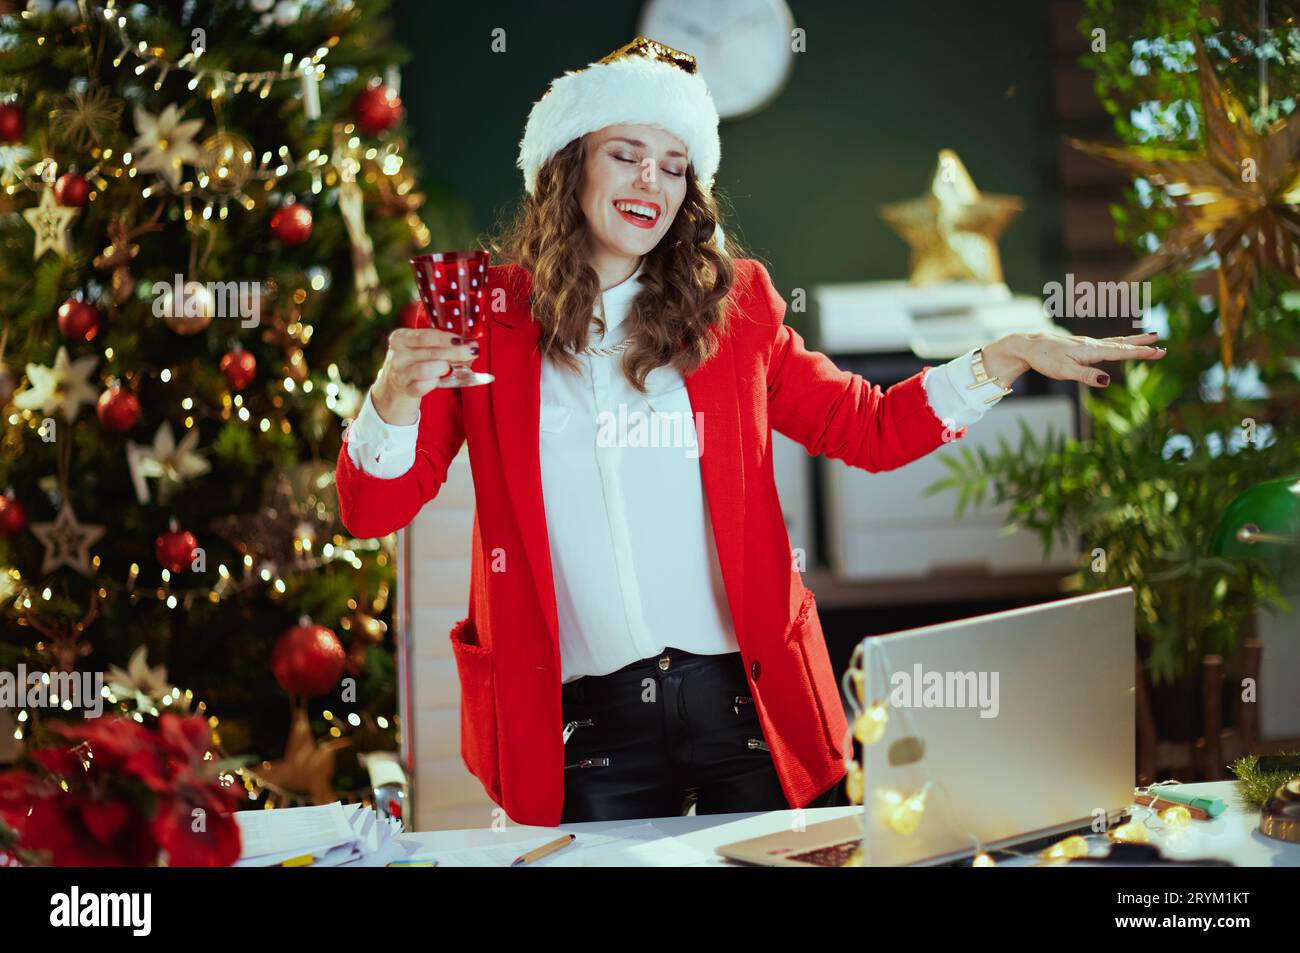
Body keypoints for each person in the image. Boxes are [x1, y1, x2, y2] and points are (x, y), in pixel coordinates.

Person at [334, 36, 1166, 827]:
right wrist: (394, 397)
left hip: (745, 707)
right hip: (581, 735)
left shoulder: (735, 309)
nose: (650, 183)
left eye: (672, 165)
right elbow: (372, 512)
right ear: (570, 163)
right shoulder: (485, 318)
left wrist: (1001, 358)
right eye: (625, 154)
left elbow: (868, 429)